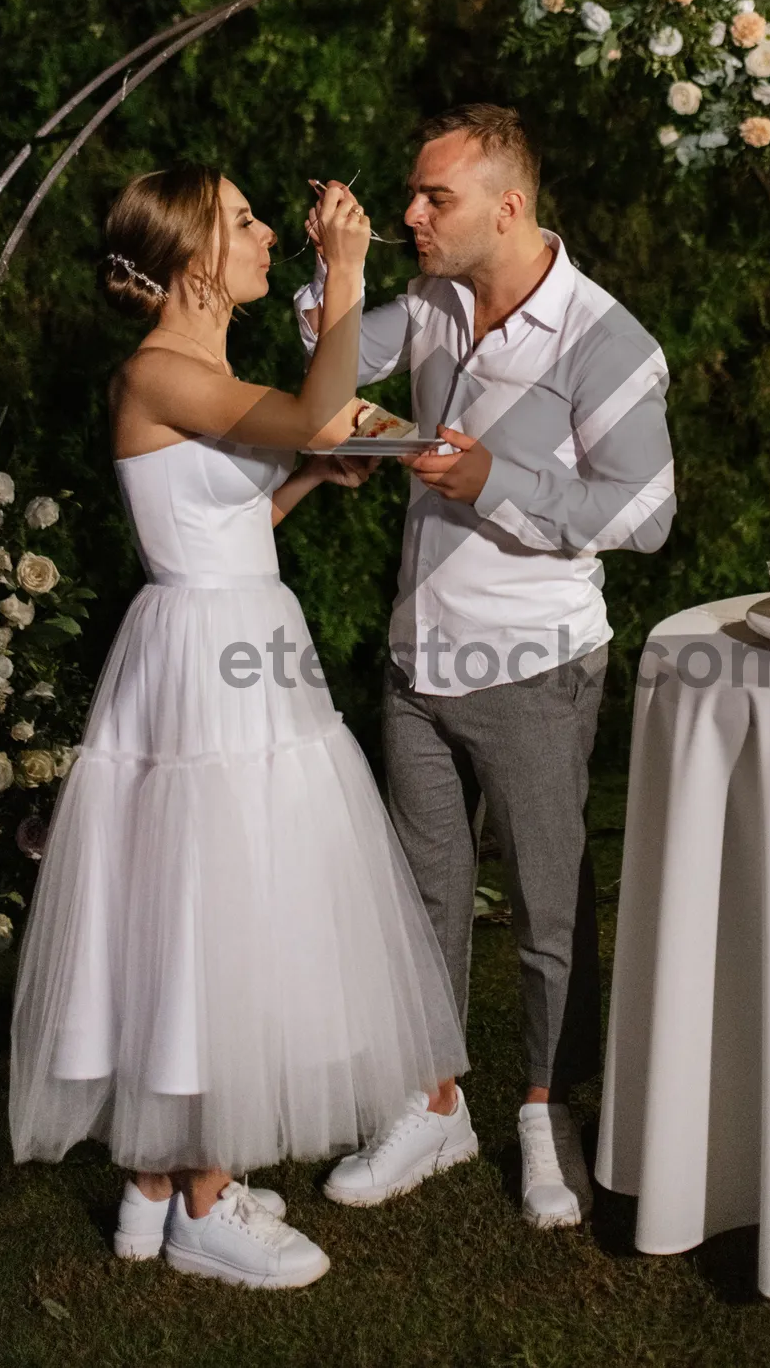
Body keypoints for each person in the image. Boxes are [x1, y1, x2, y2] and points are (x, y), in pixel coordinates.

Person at [9, 165, 468, 1290]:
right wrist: (347, 269)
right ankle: (208, 1202)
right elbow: (312, 405)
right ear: (192, 257)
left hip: (232, 634)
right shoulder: (163, 369)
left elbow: (228, 512)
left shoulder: (198, 372)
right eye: (246, 221)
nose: (267, 232)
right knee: (220, 902)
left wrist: (307, 476)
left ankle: (157, 1181)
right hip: (209, 666)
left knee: (207, 904)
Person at [295, 104, 675, 1226]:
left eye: (433, 199)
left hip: (538, 663)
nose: (413, 213)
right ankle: (436, 1100)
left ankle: (555, 1108)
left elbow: (646, 511)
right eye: (409, 197)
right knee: (423, 898)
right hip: (419, 653)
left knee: (551, 911)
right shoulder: (434, 305)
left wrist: (494, 483)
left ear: (507, 206)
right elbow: (329, 363)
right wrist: (339, 265)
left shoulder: (606, 339)